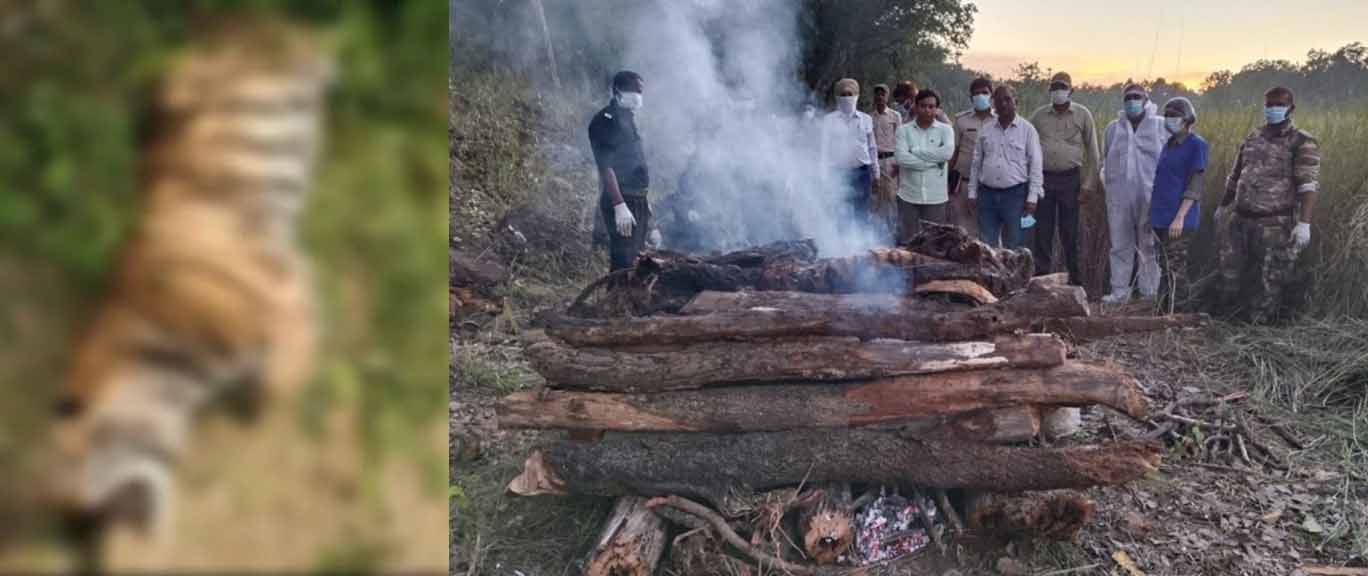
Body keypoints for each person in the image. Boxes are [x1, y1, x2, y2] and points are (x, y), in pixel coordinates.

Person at [1216, 86, 1320, 324]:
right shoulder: (1253, 137)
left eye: (1279, 104)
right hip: (1240, 219)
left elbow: (1308, 186)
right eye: (1269, 104)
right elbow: (1235, 176)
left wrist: (1304, 224)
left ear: (1290, 108)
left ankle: (1258, 329)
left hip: (1275, 223)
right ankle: (1226, 321)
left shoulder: (1302, 141)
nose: (1273, 109)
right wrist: (1222, 207)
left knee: (1270, 280)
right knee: (1229, 274)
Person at [1028, 72, 1100, 284]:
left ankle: (1075, 283)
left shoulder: (1083, 114)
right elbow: (1027, 147)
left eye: (1063, 87)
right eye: (1055, 87)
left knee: (1070, 234)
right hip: (1044, 180)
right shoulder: (1039, 116)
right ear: (1050, 90)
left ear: (1071, 90)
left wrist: (1088, 185)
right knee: (1043, 233)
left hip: (1071, 181)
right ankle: (1042, 283)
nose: (1058, 91)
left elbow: (1093, 153)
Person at [1099, 83, 1166, 304]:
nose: (1132, 102)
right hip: (1119, 196)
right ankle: (1120, 292)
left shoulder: (1159, 126)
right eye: (1128, 98)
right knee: (1120, 244)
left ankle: (1149, 294)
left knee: (1148, 245)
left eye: (1137, 97)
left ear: (1146, 99)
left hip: (1150, 195)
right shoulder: (1113, 128)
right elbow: (1105, 160)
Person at [588, 70, 656, 271]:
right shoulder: (605, 121)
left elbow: (635, 163)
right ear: (618, 91)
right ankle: (614, 300)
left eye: (641, 91)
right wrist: (619, 205)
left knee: (636, 260)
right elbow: (605, 167)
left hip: (637, 199)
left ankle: (630, 301)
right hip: (622, 200)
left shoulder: (628, 119)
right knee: (623, 262)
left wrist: (647, 207)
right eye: (635, 90)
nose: (638, 96)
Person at [967, 85, 1043, 249]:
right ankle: (990, 275)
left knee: (1015, 245)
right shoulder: (986, 130)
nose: (1003, 104)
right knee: (986, 246)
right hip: (987, 195)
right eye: (998, 100)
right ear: (993, 103)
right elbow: (976, 163)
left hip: (1015, 196)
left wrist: (1032, 198)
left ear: (1016, 102)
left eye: (1007, 99)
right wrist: (972, 192)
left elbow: (1036, 165)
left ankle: (1014, 275)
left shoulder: (1028, 130)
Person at [1150, 96, 1207, 312]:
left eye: (1175, 116)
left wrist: (1180, 216)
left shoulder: (1196, 145)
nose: (1169, 120)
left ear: (1187, 119)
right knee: (1164, 266)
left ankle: (1181, 313)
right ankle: (1163, 310)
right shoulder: (1169, 145)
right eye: (1167, 116)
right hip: (1161, 216)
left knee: (1176, 268)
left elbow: (1195, 184)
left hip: (1179, 218)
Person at [893, 89, 954, 243]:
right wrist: (933, 163)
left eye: (931, 107)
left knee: (934, 245)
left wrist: (915, 151)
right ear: (915, 106)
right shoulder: (903, 130)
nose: (927, 110)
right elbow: (901, 158)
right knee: (907, 243)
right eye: (923, 106)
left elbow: (946, 154)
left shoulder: (945, 130)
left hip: (936, 197)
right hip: (908, 196)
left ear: (937, 109)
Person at [820, 78, 879, 227]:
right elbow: (824, 149)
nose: (847, 97)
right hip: (838, 173)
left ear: (857, 95)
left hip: (862, 172)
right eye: (843, 94)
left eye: (850, 94)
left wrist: (876, 173)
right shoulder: (828, 120)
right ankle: (843, 245)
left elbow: (872, 147)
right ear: (837, 97)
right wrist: (823, 175)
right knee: (840, 212)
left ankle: (862, 245)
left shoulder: (866, 119)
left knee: (862, 211)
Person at [948, 77, 996, 236]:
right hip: (963, 184)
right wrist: (948, 181)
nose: (981, 96)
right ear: (971, 98)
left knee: (989, 231)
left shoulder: (1000, 121)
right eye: (977, 94)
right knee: (962, 231)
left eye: (985, 93)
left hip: (990, 186)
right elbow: (953, 152)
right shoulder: (961, 120)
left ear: (992, 95)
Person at [870, 84, 903, 237]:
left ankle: (893, 234)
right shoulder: (869, 117)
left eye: (882, 94)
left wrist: (898, 163)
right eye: (877, 94)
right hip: (874, 161)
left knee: (890, 198)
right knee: (876, 199)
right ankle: (876, 234)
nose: (879, 97)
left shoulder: (895, 116)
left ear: (887, 96)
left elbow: (901, 140)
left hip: (890, 160)